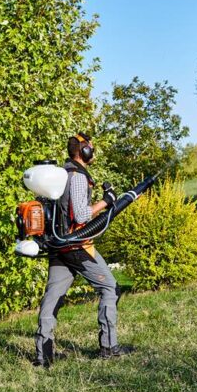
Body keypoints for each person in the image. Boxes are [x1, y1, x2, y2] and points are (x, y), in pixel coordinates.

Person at [33, 133, 132, 367]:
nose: (93, 153)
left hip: (58, 244)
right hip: (76, 245)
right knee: (110, 287)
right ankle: (109, 347)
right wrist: (106, 202)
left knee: (52, 298)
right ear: (84, 151)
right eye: (91, 149)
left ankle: (43, 355)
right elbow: (81, 214)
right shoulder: (77, 176)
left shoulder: (60, 174)